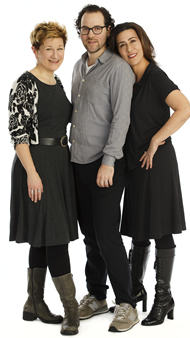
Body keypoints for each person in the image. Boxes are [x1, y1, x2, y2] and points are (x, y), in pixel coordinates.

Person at [109, 22, 190, 326]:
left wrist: (157, 140)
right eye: (122, 44)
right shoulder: (126, 78)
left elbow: (185, 108)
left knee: (160, 229)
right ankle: (134, 290)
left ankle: (163, 297)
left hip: (156, 162)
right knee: (139, 228)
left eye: (134, 41)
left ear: (143, 43)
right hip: (134, 163)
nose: (130, 48)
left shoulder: (155, 77)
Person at [69, 5, 138, 333]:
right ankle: (96, 296)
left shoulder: (119, 69)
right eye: (85, 28)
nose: (91, 35)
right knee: (90, 235)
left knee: (108, 234)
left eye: (97, 28)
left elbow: (120, 118)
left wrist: (109, 161)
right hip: (78, 161)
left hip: (106, 163)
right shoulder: (78, 67)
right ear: (79, 30)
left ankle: (127, 304)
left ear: (108, 29)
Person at [8, 22, 79, 335]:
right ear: (35, 50)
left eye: (60, 48)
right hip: (35, 165)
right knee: (55, 236)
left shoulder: (58, 81)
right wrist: (32, 174)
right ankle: (71, 310)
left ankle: (33, 303)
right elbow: (19, 133)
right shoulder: (25, 83)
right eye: (48, 48)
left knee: (43, 234)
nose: (55, 54)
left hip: (59, 164)